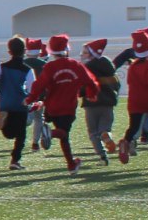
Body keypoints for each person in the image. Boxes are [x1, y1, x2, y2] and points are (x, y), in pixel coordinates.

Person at [26, 33, 97, 176]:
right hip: (68, 106)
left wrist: (30, 98)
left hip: (52, 106)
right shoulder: (75, 65)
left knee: (64, 137)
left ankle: (71, 164)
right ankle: (50, 134)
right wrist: (91, 94)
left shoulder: (50, 66)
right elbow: (91, 81)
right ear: (66, 49)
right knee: (63, 133)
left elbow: (39, 84)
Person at [114, 29, 148, 164]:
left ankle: (129, 142)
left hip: (134, 101)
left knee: (134, 126)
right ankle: (129, 141)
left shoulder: (133, 66)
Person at [0, 37, 36, 171]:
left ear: (9, 51)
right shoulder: (27, 69)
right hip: (20, 104)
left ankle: (4, 119)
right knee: (20, 135)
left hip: (5, 103)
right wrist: (30, 99)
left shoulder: (2, 66)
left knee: (8, 133)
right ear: (25, 51)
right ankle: (15, 160)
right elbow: (31, 89)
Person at [79, 37, 121, 165]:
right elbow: (116, 85)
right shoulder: (108, 65)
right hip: (108, 103)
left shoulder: (86, 68)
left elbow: (81, 88)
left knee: (93, 133)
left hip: (91, 104)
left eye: (85, 53)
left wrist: (81, 94)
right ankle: (106, 135)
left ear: (91, 54)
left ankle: (103, 157)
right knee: (105, 127)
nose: (82, 55)